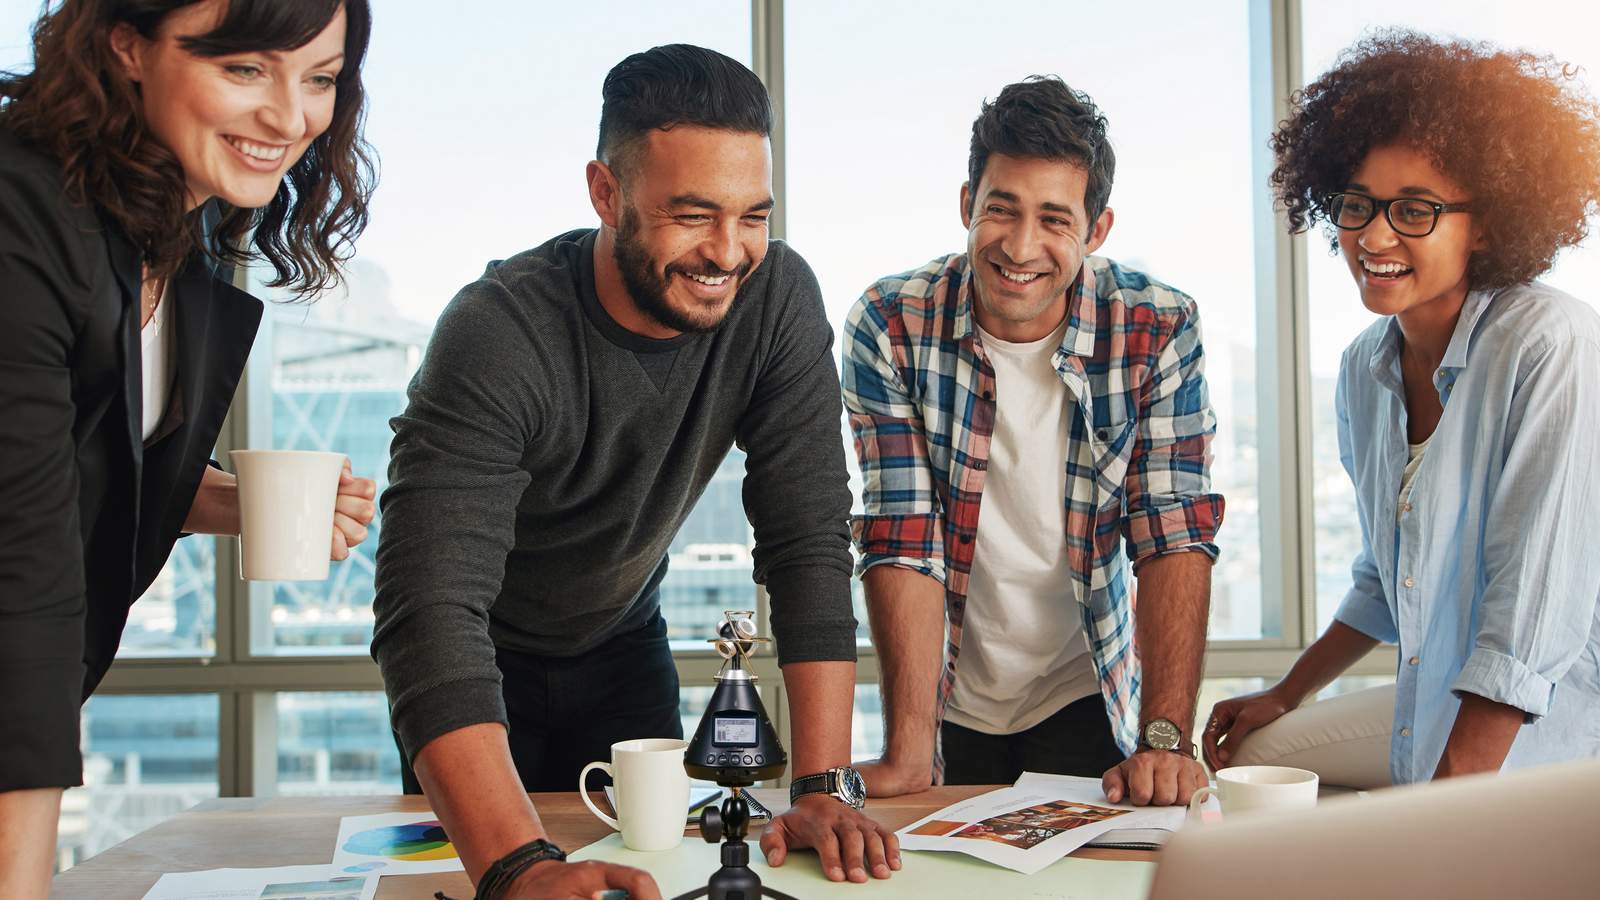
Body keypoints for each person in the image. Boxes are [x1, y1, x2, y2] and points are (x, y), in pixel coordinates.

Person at [372, 44, 898, 899]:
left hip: (621, 646)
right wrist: (513, 868)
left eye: (753, 216)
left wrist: (820, 786)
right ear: (606, 193)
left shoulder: (774, 302)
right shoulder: (498, 334)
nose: (729, 253)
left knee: (659, 877)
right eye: (694, 215)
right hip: (474, 666)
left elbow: (805, 540)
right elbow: (428, 605)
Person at [0, 0, 378, 895]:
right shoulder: (20, 216)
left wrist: (228, 503)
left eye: (318, 78)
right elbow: (21, 590)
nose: (289, 117)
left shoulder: (179, 248)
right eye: (245, 68)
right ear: (127, 45)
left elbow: (78, 453)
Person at [1206, 31, 1600, 787]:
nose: (1374, 235)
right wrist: (1287, 691)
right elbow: (1389, 581)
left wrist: (1447, 809)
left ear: (1484, 224)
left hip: (1561, 727)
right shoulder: (1365, 366)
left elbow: (1531, 616)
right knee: (1256, 758)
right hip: (1447, 700)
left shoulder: (1550, 342)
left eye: (1415, 210)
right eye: (1359, 204)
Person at [842, 76, 1224, 808]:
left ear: (1097, 229)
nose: (1021, 246)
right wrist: (910, 748)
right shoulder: (891, 322)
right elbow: (903, 534)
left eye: (1054, 219)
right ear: (966, 205)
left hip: (1081, 688)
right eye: (1001, 209)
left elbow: (1171, 530)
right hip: (947, 695)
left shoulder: (1157, 325)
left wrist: (1166, 739)